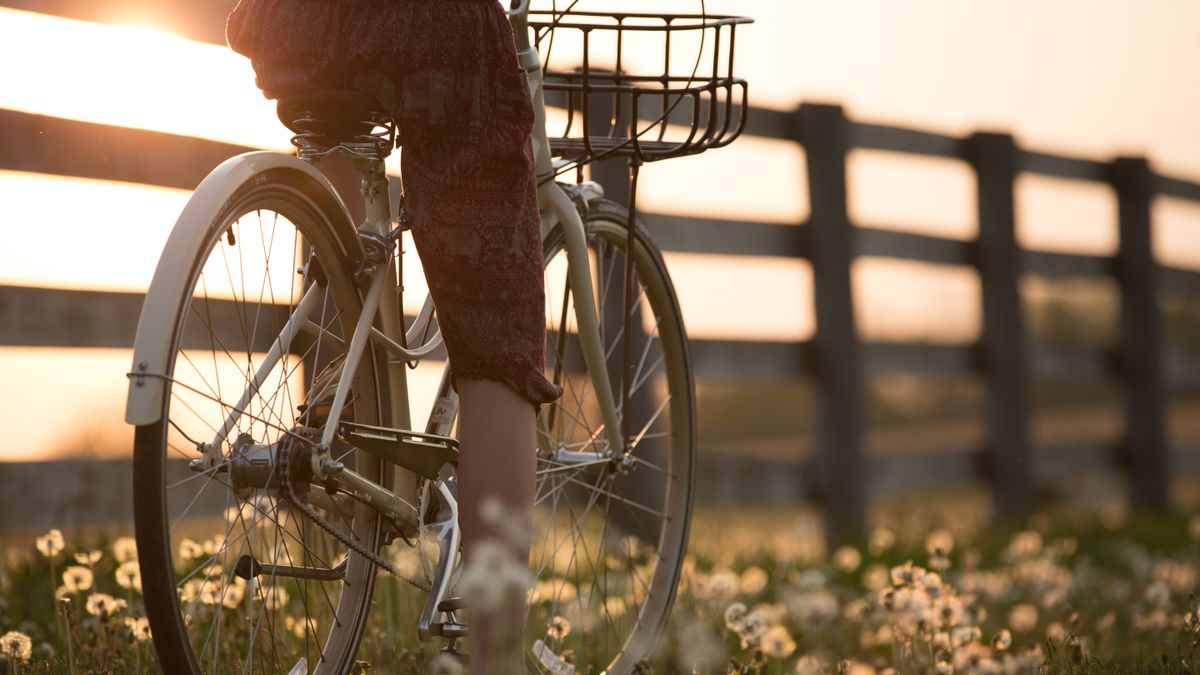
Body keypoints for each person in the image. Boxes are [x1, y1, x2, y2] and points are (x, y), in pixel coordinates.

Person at [224, 1, 562, 671]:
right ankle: (498, 656)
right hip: (428, 27)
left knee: (343, 202)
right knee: (498, 343)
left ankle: (346, 402)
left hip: (287, 21)